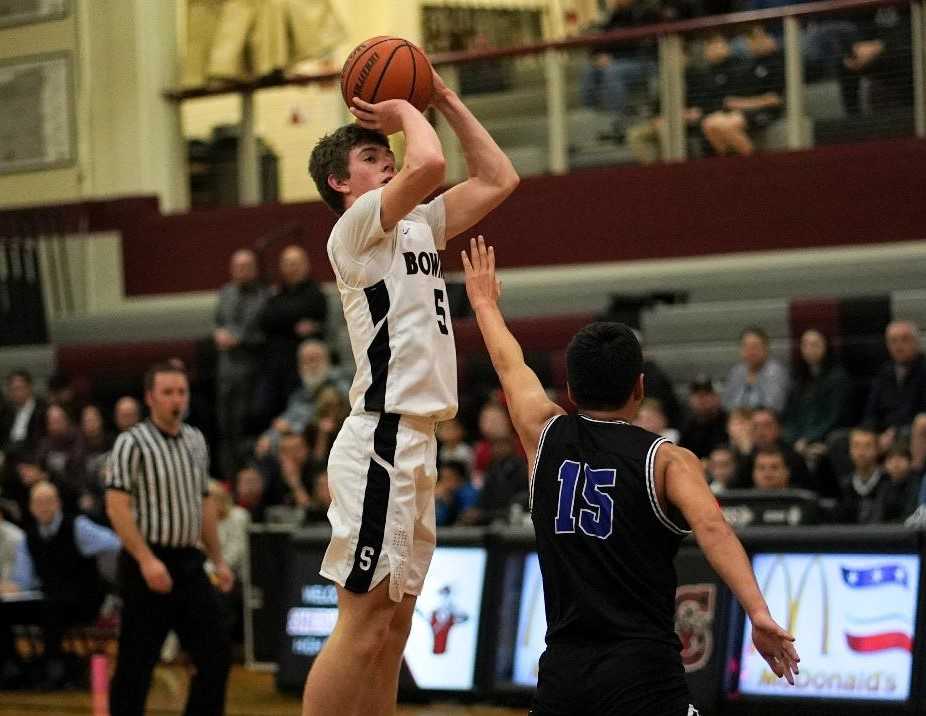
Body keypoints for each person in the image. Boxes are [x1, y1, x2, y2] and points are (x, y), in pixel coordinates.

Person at [461, 236, 797, 715]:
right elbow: (712, 528)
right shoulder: (668, 460)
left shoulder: (543, 435)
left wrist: (483, 304)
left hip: (563, 673)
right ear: (640, 387)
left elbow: (508, 361)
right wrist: (758, 613)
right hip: (643, 673)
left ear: (572, 389)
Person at [302, 60, 518, 716]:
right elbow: (426, 163)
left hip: (416, 441)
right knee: (363, 621)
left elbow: (499, 177)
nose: (390, 161)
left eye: (386, 153)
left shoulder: (418, 225)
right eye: (373, 157)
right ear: (342, 182)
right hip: (381, 436)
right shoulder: (355, 229)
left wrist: (445, 95)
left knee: (394, 630)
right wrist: (401, 111)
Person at [104, 362, 234, 716]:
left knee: (216, 656)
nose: (177, 399)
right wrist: (146, 559)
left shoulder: (195, 439)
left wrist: (218, 559)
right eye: (168, 392)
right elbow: (116, 506)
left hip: (189, 561)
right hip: (147, 561)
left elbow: (204, 502)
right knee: (136, 664)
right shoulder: (132, 443)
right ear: (150, 398)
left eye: (182, 392)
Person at [9, 481, 120, 689]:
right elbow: (23, 580)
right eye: (38, 502)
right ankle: (13, 668)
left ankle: (54, 667)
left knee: (53, 608)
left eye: (48, 501)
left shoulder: (78, 527)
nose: (43, 507)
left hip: (84, 599)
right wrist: (11, 587)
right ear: (31, 507)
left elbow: (114, 544)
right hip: (49, 599)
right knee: (11, 609)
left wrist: (107, 573)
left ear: (58, 503)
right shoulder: (29, 538)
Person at [254, 245, 329, 426]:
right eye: (287, 264)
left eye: (296, 263)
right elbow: (264, 320)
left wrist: (281, 320)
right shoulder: (275, 293)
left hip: (301, 366)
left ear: (306, 265)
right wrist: (292, 322)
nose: (292, 268)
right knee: (262, 407)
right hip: (274, 363)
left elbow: (280, 316)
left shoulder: (315, 293)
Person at [214, 248, 269, 477]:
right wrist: (218, 334)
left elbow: (267, 334)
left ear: (255, 270)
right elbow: (218, 322)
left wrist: (239, 340)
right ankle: (228, 480)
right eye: (238, 267)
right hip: (225, 372)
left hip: (253, 372)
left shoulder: (265, 296)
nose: (242, 271)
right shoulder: (225, 293)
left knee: (246, 427)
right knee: (225, 429)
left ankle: (249, 480)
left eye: (247, 267)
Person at [782, 329, 850, 461]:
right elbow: (789, 416)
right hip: (799, 440)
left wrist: (808, 439)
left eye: (815, 345)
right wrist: (793, 439)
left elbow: (834, 417)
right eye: (805, 345)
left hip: (825, 437)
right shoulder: (798, 378)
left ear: (826, 347)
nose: (809, 349)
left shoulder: (838, 378)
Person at [864, 320, 926, 452]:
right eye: (893, 341)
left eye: (904, 340)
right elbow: (871, 411)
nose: (898, 346)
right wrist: (871, 433)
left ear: (917, 342)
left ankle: (915, 471)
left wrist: (895, 431)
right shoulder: (884, 372)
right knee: (841, 441)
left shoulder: (923, 369)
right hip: (883, 432)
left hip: (912, 431)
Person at [722, 326, 789, 413]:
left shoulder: (775, 371)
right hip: (737, 423)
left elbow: (772, 407)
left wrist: (742, 414)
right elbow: (727, 403)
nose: (750, 351)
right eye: (745, 347)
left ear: (766, 349)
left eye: (755, 347)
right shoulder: (737, 371)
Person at [835, 427, 889, 524]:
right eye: (856, 446)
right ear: (849, 450)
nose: (861, 452)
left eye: (867, 446)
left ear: (877, 449)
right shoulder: (844, 485)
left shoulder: (889, 482)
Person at [679, 376, 727, 459]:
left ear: (716, 397)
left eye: (706, 394)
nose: (702, 399)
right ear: (690, 400)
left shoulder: (727, 422)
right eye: (697, 395)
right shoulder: (686, 424)